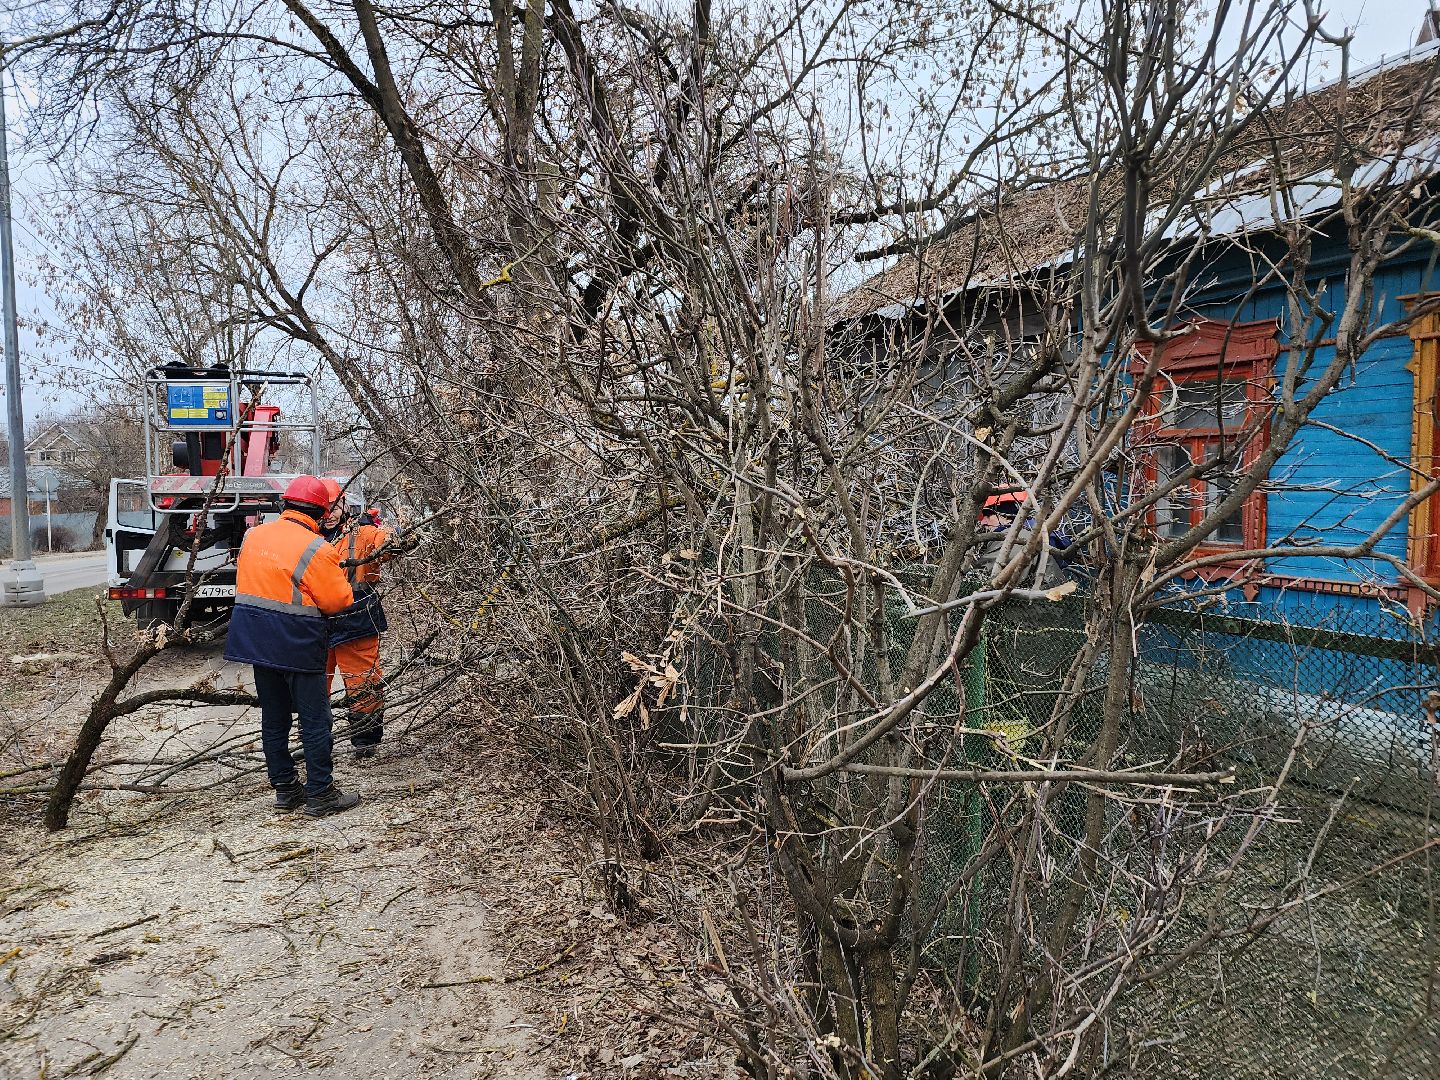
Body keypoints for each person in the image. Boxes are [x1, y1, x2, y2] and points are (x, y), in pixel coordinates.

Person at [224, 475, 361, 817]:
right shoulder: (317, 548)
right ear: (319, 513)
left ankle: (285, 789)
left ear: (285, 505)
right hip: (297, 642)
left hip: (256, 641)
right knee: (315, 721)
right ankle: (321, 793)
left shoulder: (253, 535)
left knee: (275, 718)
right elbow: (338, 600)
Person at [318, 480, 401, 759]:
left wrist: (397, 535)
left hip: (357, 617)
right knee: (313, 683)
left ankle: (365, 740)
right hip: (315, 619)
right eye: (323, 507)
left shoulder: (362, 533)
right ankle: (315, 740)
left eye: (333, 507)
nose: (328, 513)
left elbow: (388, 544)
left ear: (344, 506)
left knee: (363, 682)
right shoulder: (306, 536)